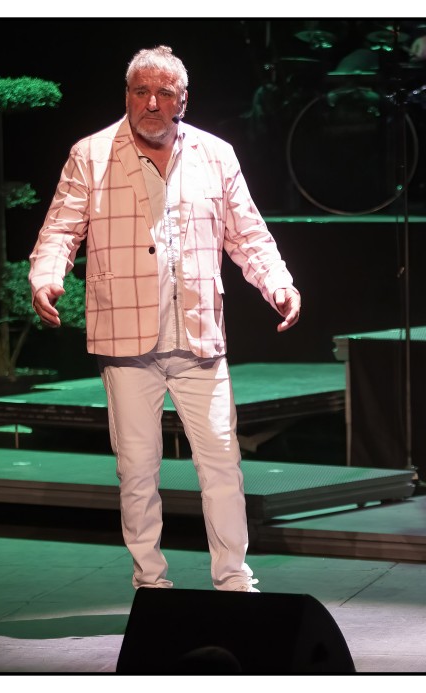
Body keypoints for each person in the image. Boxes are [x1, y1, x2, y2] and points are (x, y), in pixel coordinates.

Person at [29, 45, 301, 593]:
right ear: (127, 95)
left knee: (222, 463)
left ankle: (233, 580)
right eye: (141, 92)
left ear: (183, 100)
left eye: (164, 93)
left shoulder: (215, 154)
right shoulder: (91, 154)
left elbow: (247, 233)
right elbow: (61, 229)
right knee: (137, 468)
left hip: (198, 335)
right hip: (126, 337)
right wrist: (46, 275)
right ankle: (150, 583)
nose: (151, 103)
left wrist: (279, 283)